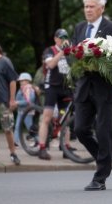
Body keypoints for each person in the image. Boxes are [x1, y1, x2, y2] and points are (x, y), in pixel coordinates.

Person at [71, 0, 112, 191]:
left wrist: (99, 64)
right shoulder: (79, 28)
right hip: (84, 87)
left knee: (104, 132)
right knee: (80, 130)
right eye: (86, 6)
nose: (88, 10)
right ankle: (105, 158)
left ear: (101, 8)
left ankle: (100, 177)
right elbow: (73, 56)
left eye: (92, 6)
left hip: (104, 88)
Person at [37, 28, 73, 160]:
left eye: (65, 37)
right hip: (52, 86)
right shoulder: (50, 51)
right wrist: (62, 52)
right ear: (55, 39)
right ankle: (41, 147)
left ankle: (66, 148)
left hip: (65, 88)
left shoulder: (70, 53)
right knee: (47, 118)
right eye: (61, 37)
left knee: (66, 120)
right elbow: (51, 65)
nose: (63, 40)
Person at [13, 72, 37, 146]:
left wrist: (18, 103)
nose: (20, 82)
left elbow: (29, 100)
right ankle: (15, 142)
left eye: (22, 80)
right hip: (21, 111)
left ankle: (39, 140)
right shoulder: (21, 89)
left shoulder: (29, 89)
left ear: (27, 81)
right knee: (17, 126)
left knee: (30, 128)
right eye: (20, 81)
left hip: (27, 112)